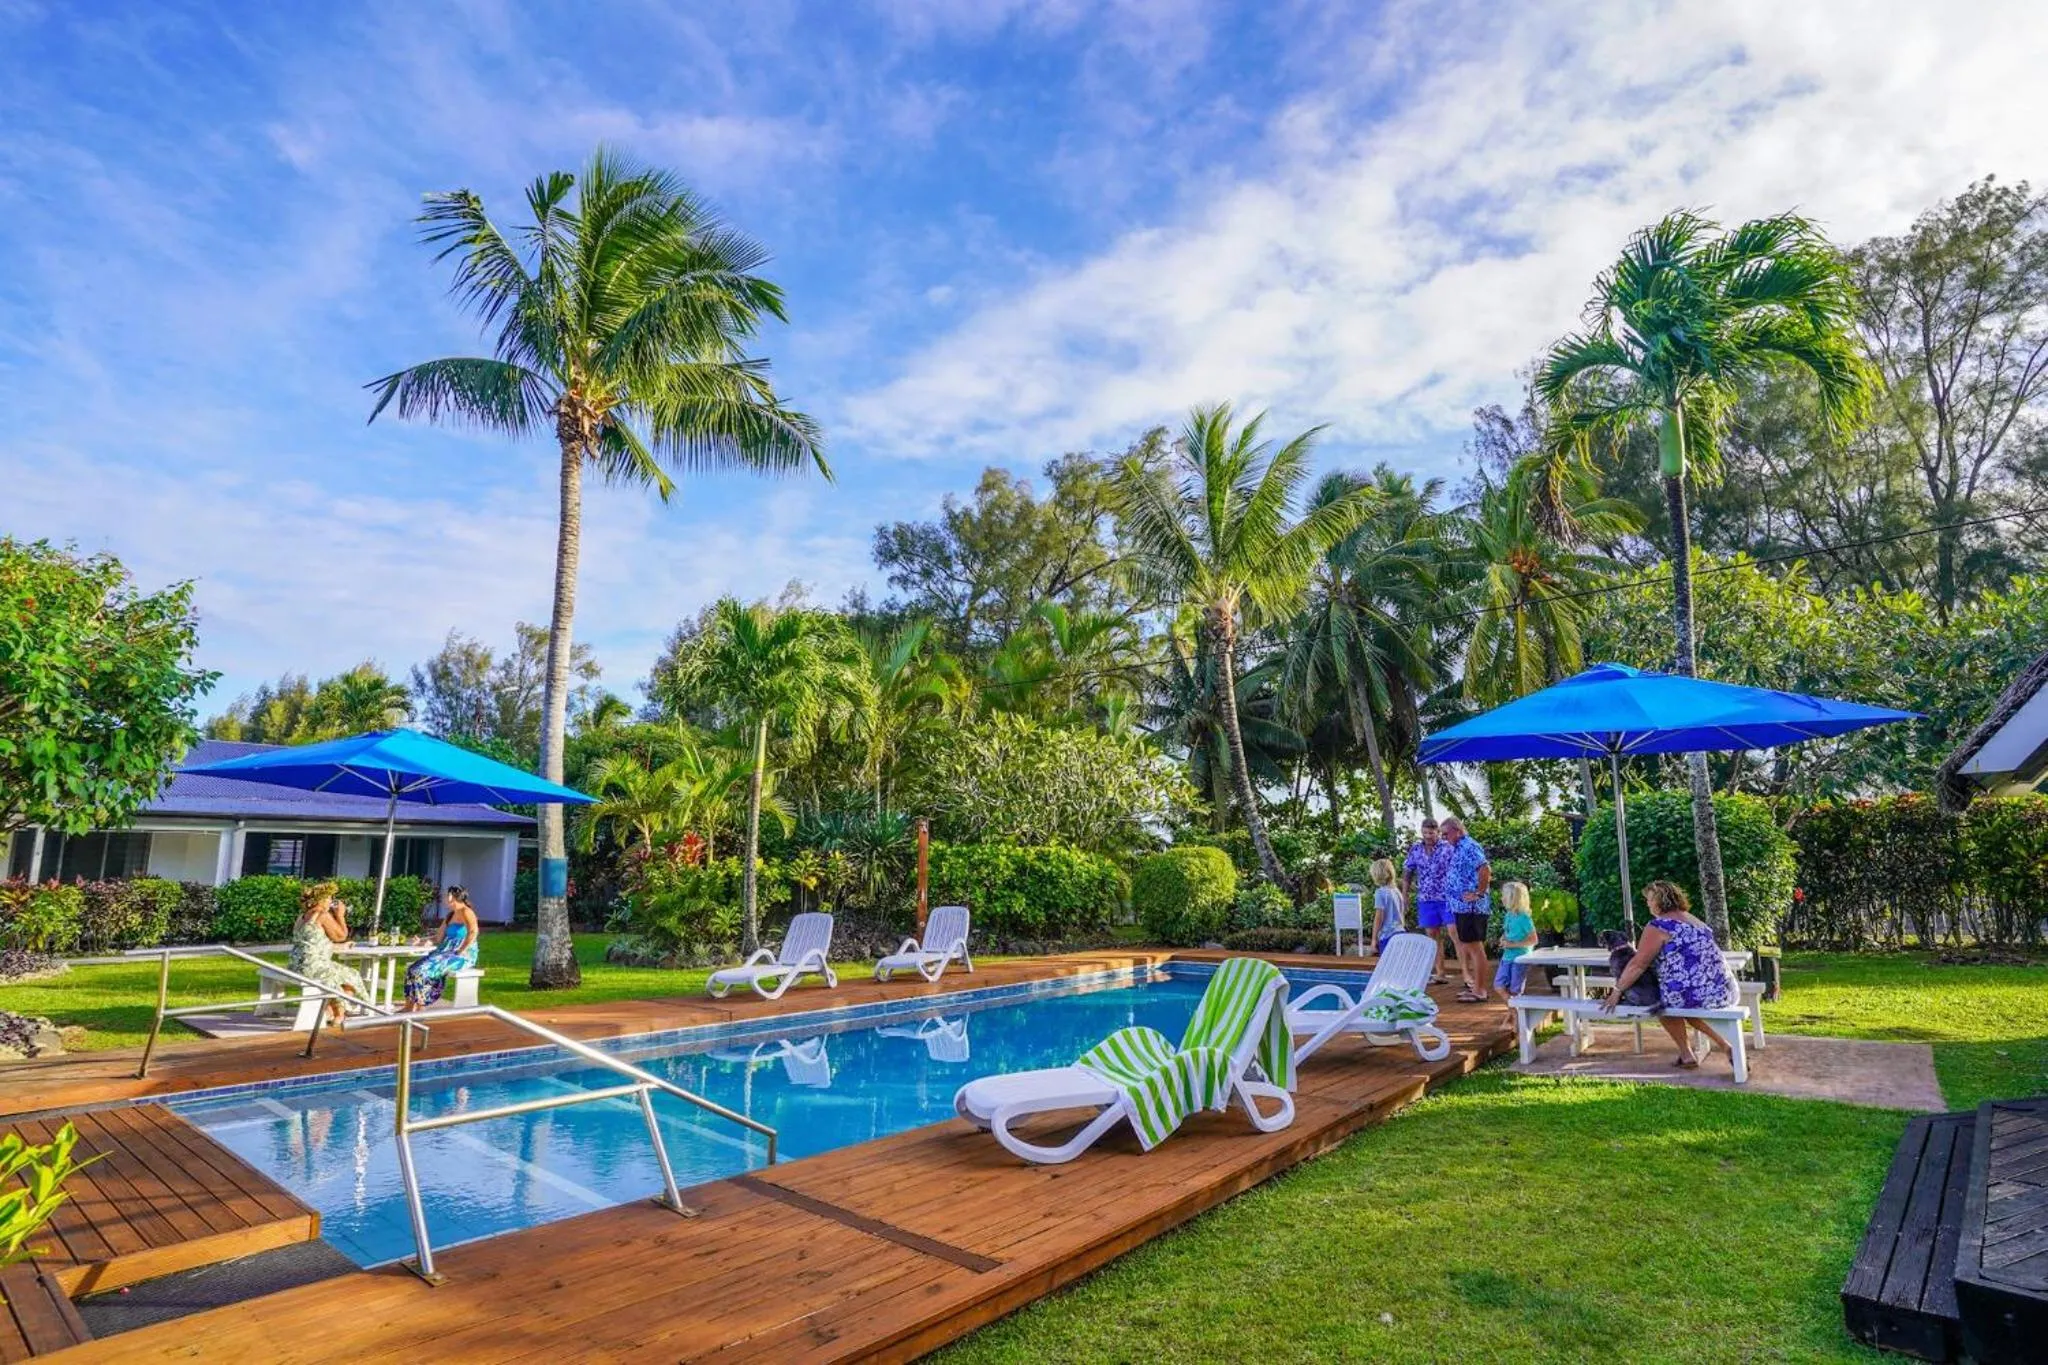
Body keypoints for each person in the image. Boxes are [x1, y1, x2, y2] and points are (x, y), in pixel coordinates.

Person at [1601, 881, 1740, 1069]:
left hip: (1698, 992)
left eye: (1649, 900)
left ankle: (1694, 1052)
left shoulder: (1659, 926)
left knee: (1661, 1001)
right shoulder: (1692, 919)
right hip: (1725, 989)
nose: (1647, 904)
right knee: (1683, 998)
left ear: (1660, 901)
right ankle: (1712, 1049)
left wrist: (1617, 991)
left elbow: (1638, 964)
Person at [289, 881, 366, 1027]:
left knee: (337, 973)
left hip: (296, 964)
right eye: (330, 898)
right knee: (351, 975)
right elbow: (341, 935)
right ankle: (339, 1015)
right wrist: (340, 916)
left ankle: (329, 1011)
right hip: (312, 967)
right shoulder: (322, 914)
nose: (331, 902)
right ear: (323, 900)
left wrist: (338, 947)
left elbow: (312, 941)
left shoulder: (303, 916)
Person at [1439, 817, 1493, 1003]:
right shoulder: (1459, 847)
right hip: (1462, 907)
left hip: (1472, 908)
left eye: (1446, 834)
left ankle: (1480, 991)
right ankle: (1477, 988)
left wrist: (1479, 893)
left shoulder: (1469, 846)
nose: (1444, 838)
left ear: (1457, 830)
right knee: (1470, 947)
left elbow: (1485, 868)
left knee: (1475, 948)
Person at [403, 886, 480, 1012]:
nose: (444, 897)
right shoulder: (450, 915)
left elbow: (473, 932)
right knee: (411, 969)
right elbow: (438, 937)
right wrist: (421, 941)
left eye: (446, 895)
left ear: (452, 896)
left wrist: (461, 950)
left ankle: (420, 1007)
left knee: (420, 971)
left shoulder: (467, 912)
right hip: (444, 952)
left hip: (462, 955)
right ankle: (409, 1006)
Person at [1401, 818, 1453, 985]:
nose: (1427, 836)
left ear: (1437, 832)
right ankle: (1440, 973)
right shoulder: (1416, 849)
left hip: (1447, 897)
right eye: (1424, 833)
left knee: (1455, 933)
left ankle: (1468, 975)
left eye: (1430, 833)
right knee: (1432, 935)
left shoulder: (1447, 848)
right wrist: (1405, 894)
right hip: (1426, 898)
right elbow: (1408, 872)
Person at [1493, 881, 1537, 1003]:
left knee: (1515, 991)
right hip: (1507, 957)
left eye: (1504, 895)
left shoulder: (1524, 918)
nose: (1501, 898)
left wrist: (1513, 944)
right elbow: (1507, 932)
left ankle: (1515, 1016)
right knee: (1499, 986)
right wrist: (1503, 938)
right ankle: (1514, 1013)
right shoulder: (1509, 915)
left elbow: (1534, 940)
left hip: (1519, 958)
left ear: (1512, 898)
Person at [1369, 858, 1404, 956]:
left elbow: (1379, 918)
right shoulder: (1397, 892)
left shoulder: (1380, 893)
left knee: (1387, 967)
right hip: (1400, 932)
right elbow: (1401, 913)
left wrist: (1374, 939)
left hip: (1387, 935)